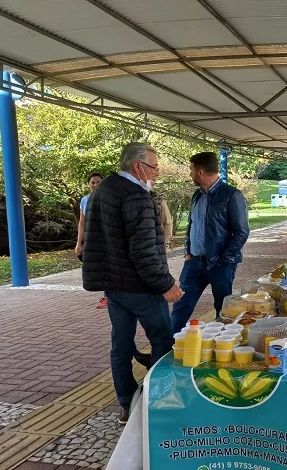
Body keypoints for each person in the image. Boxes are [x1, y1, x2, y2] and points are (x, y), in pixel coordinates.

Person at [82, 142, 184, 425]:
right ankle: (160, 402)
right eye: (153, 166)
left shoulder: (103, 190)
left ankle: (126, 405)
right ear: (138, 166)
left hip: (114, 287)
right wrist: (166, 284)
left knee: (121, 346)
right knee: (163, 341)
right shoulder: (136, 196)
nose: (157, 172)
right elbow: (144, 252)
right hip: (142, 288)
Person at [171, 152, 250, 333]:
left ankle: (220, 350)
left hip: (220, 265)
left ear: (200, 172)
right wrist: (188, 252)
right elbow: (192, 225)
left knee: (223, 312)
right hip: (194, 263)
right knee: (180, 309)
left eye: (191, 170)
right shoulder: (197, 195)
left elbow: (242, 232)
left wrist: (223, 260)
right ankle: (164, 352)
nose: (189, 174)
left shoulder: (231, 195)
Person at [74, 173, 109, 309]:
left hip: (106, 239)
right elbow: (81, 223)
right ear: (88, 184)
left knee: (108, 267)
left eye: (99, 182)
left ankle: (108, 296)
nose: (95, 185)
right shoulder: (85, 200)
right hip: (91, 240)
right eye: (93, 182)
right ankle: (108, 294)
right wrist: (79, 243)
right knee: (97, 268)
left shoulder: (107, 199)